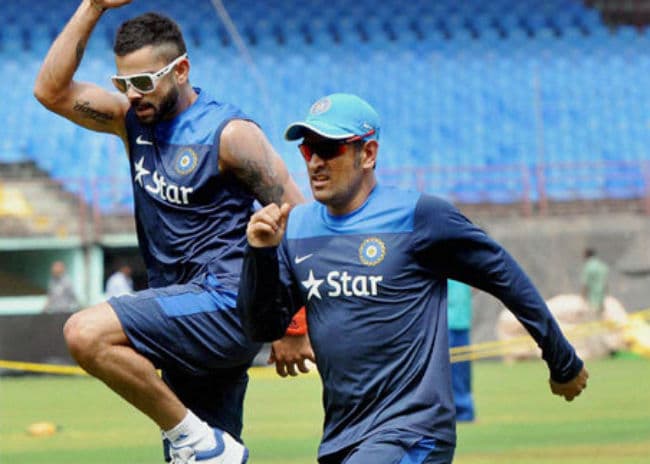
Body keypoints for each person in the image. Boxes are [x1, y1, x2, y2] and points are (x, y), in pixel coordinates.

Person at [237, 93, 589, 464]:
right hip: (342, 436)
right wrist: (260, 255)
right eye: (309, 151)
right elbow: (263, 327)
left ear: (368, 154)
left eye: (329, 149)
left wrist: (562, 360)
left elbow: (506, 279)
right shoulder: (297, 228)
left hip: (414, 433)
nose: (316, 163)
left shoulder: (419, 217)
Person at [33, 1, 314, 463]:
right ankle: (203, 444)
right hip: (179, 310)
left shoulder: (229, 134)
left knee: (85, 333)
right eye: (123, 84)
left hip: (227, 303)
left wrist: (293, 322)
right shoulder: (131, 120)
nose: (133, 94)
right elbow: (50, 91)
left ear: (180, 70)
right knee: (208, 457)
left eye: (144, 82)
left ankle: (195, 439)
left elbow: (298, 221)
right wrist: (93, 7)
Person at [447, 279, 475, 422]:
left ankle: (465, 412)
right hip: (445, 323)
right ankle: (453, 411)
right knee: (448, 370)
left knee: (463, 371)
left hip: (462, 323)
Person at [581, 248, 609, 314]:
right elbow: (605, 282)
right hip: (601, 295)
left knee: (592, 314)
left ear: (587, 255)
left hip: (592, 296)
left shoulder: (588, 266)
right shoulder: (601, 265)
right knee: (600, 313)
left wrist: (583, 295)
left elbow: (585, 283)